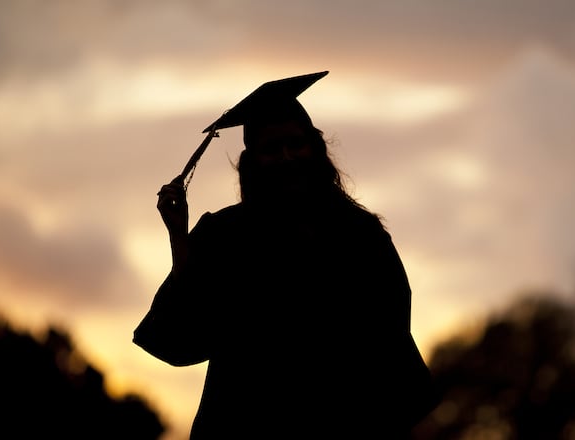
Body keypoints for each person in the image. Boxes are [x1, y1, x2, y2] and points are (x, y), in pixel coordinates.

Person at [133, 72, 438, 439]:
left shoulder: (360, 235)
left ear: (315, 149)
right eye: (271, 148)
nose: (286, 157)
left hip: (343, 419)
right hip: (244, 419)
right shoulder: (225, 234)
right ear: (252, 161)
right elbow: (182, 336)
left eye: (296, 144)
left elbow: (390, 338)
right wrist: (179, 238)